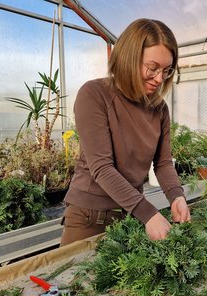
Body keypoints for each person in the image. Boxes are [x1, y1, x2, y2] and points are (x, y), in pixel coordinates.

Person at [60, 18, 191, 246]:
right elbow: (101, 167)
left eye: (166, 70)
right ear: (130, 57)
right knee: (73, 280)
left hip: (130, 212)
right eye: (152, 68)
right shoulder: (94, 95)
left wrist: (176, 196)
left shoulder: (159, 108)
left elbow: (163, 164)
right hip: (90, 215)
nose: (159, 78)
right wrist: (148, 213)